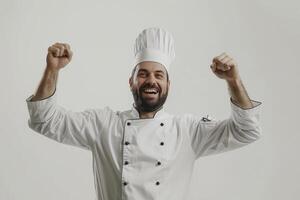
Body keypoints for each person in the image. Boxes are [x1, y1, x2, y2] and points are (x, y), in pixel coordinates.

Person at [26, 27, 262, 200]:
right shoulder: (103, 125)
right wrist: (52, 70)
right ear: (131, 82)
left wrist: (233, 81)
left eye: (159, 75)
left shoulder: (188, 131)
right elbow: (44, 119)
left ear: (169, 84)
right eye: (143, 74)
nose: (151, 80)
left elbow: (247, 130)